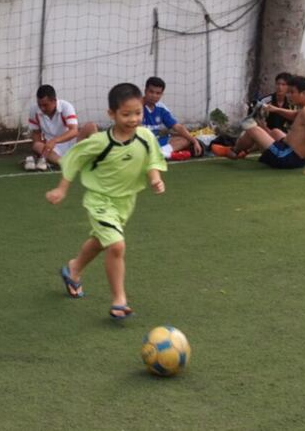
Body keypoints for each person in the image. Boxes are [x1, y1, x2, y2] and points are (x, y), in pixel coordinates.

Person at [46, 83, 167, 320]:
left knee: (101, 240)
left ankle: (73, 269)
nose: (133, 119)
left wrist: (155, 178)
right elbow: (74, 159)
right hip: (99, 200)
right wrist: (61, 189)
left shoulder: (145, 137)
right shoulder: (100, 142)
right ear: (111, 114)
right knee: (116, 245)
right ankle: (119, 300)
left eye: (138, 113)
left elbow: (153, 159)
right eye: (126, 114)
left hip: (125, 202)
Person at [227, 76, 305, 175]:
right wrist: (276, 109)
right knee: (275, 132)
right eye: (288, 92)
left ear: (303, 93)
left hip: (287, 158)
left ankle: (233, 152)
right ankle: (246, 150)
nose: (289, 95)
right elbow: (296, 115)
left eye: (292, 92)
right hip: (297, 156)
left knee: (253, 130)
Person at [26, 84, 97, 171]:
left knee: (91, 126)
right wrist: (42, 154)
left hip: (73, 143)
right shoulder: (34, 109)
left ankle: (97, 159)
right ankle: (67, 164)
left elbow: (74, 131)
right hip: (53, 149)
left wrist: (55, 140)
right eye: (39, 104)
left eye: (45, 105)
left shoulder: (66, 106)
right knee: (36, 146)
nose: (42, 108)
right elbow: (36, 133)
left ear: (54, 101)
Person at [142, 77, 203, 159]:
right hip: (139, 143)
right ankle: (161, 154)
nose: (154, 95)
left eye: (158, 93)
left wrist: (195, 141)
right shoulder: (136, 106)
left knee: (185, 139)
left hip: (155, 142)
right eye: (151, 92)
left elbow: (177, 127)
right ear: (145, 91)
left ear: (162, 94)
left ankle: (160, 153)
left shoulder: (161, 108)